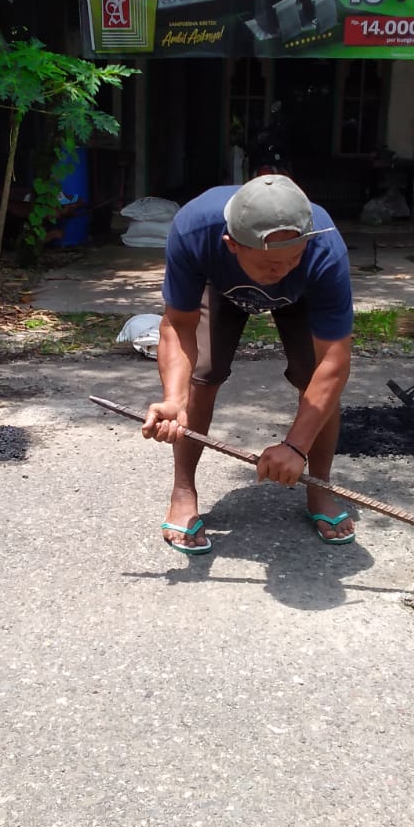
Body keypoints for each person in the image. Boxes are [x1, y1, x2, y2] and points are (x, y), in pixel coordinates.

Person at [141, 173, 355, 552]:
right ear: (232, 245)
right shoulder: (196, 231)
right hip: (220, 285)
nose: (281, 271)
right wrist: (173, 398)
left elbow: (334, 363)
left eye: (293, 258)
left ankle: (320, 486)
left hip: (303, 296)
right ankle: (183, 490)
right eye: (270, 264)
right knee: (201, 376)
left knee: (316, 380)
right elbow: (178, 325)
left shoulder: (323, 249)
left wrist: (296, 447)